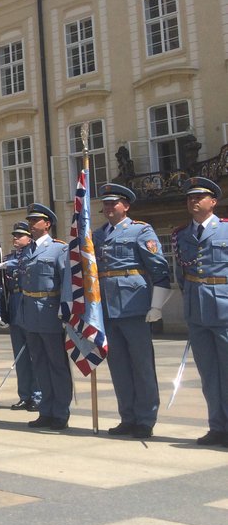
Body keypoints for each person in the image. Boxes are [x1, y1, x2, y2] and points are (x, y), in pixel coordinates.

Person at [92, 183, 172, 439]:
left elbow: (159, 269)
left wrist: (156, 304)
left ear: (126, 205)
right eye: (105, 203)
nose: (108, 207)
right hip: (107, 307)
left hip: (134, 304)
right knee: (119, 366)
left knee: (141, 365)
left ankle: (146, 418)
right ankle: (127, 416)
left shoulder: (140, 230)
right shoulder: (97, 235)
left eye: (113, 202)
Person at [172, 177, 228, 447]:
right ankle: (217, 426)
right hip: (197, 311)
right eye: (190, 198)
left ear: (213, 202)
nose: (193, 201)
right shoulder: (182, 234)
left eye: (199, 197)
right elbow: (183, 276)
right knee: (208, 373)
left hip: (225, 308)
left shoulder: (225, 230)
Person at [19, 203, 71, 431]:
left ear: (47, 224)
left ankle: (60, 413)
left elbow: (67, 280)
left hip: (50, 310)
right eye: (30, 221)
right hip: (30, 312)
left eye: (35, 220)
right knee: (39, 364)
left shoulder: (59, 249)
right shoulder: (27, 250)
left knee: (57, 364)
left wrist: (66, 307)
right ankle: (46, 410)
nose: (31, 224)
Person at [0, 221, 41, 412]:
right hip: (14, 304)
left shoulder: (33, 254)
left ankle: (38, 395)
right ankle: (25, 395)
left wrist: (13, 262)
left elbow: (29, 265)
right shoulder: (9, 258)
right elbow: (2, 287)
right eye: (14, 235)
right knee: (20, 357)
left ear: (29, 238)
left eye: (19, 235)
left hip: (28, 302)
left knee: (35, 354)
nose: (15, 238)